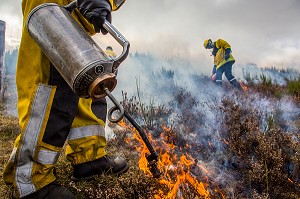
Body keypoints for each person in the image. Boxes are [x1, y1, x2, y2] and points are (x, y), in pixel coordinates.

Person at [3, 0, 128, 198]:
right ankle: (30, 178)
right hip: (50, 7)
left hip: (78, 8)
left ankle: (89, 157)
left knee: (85, 79)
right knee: (51, 84)